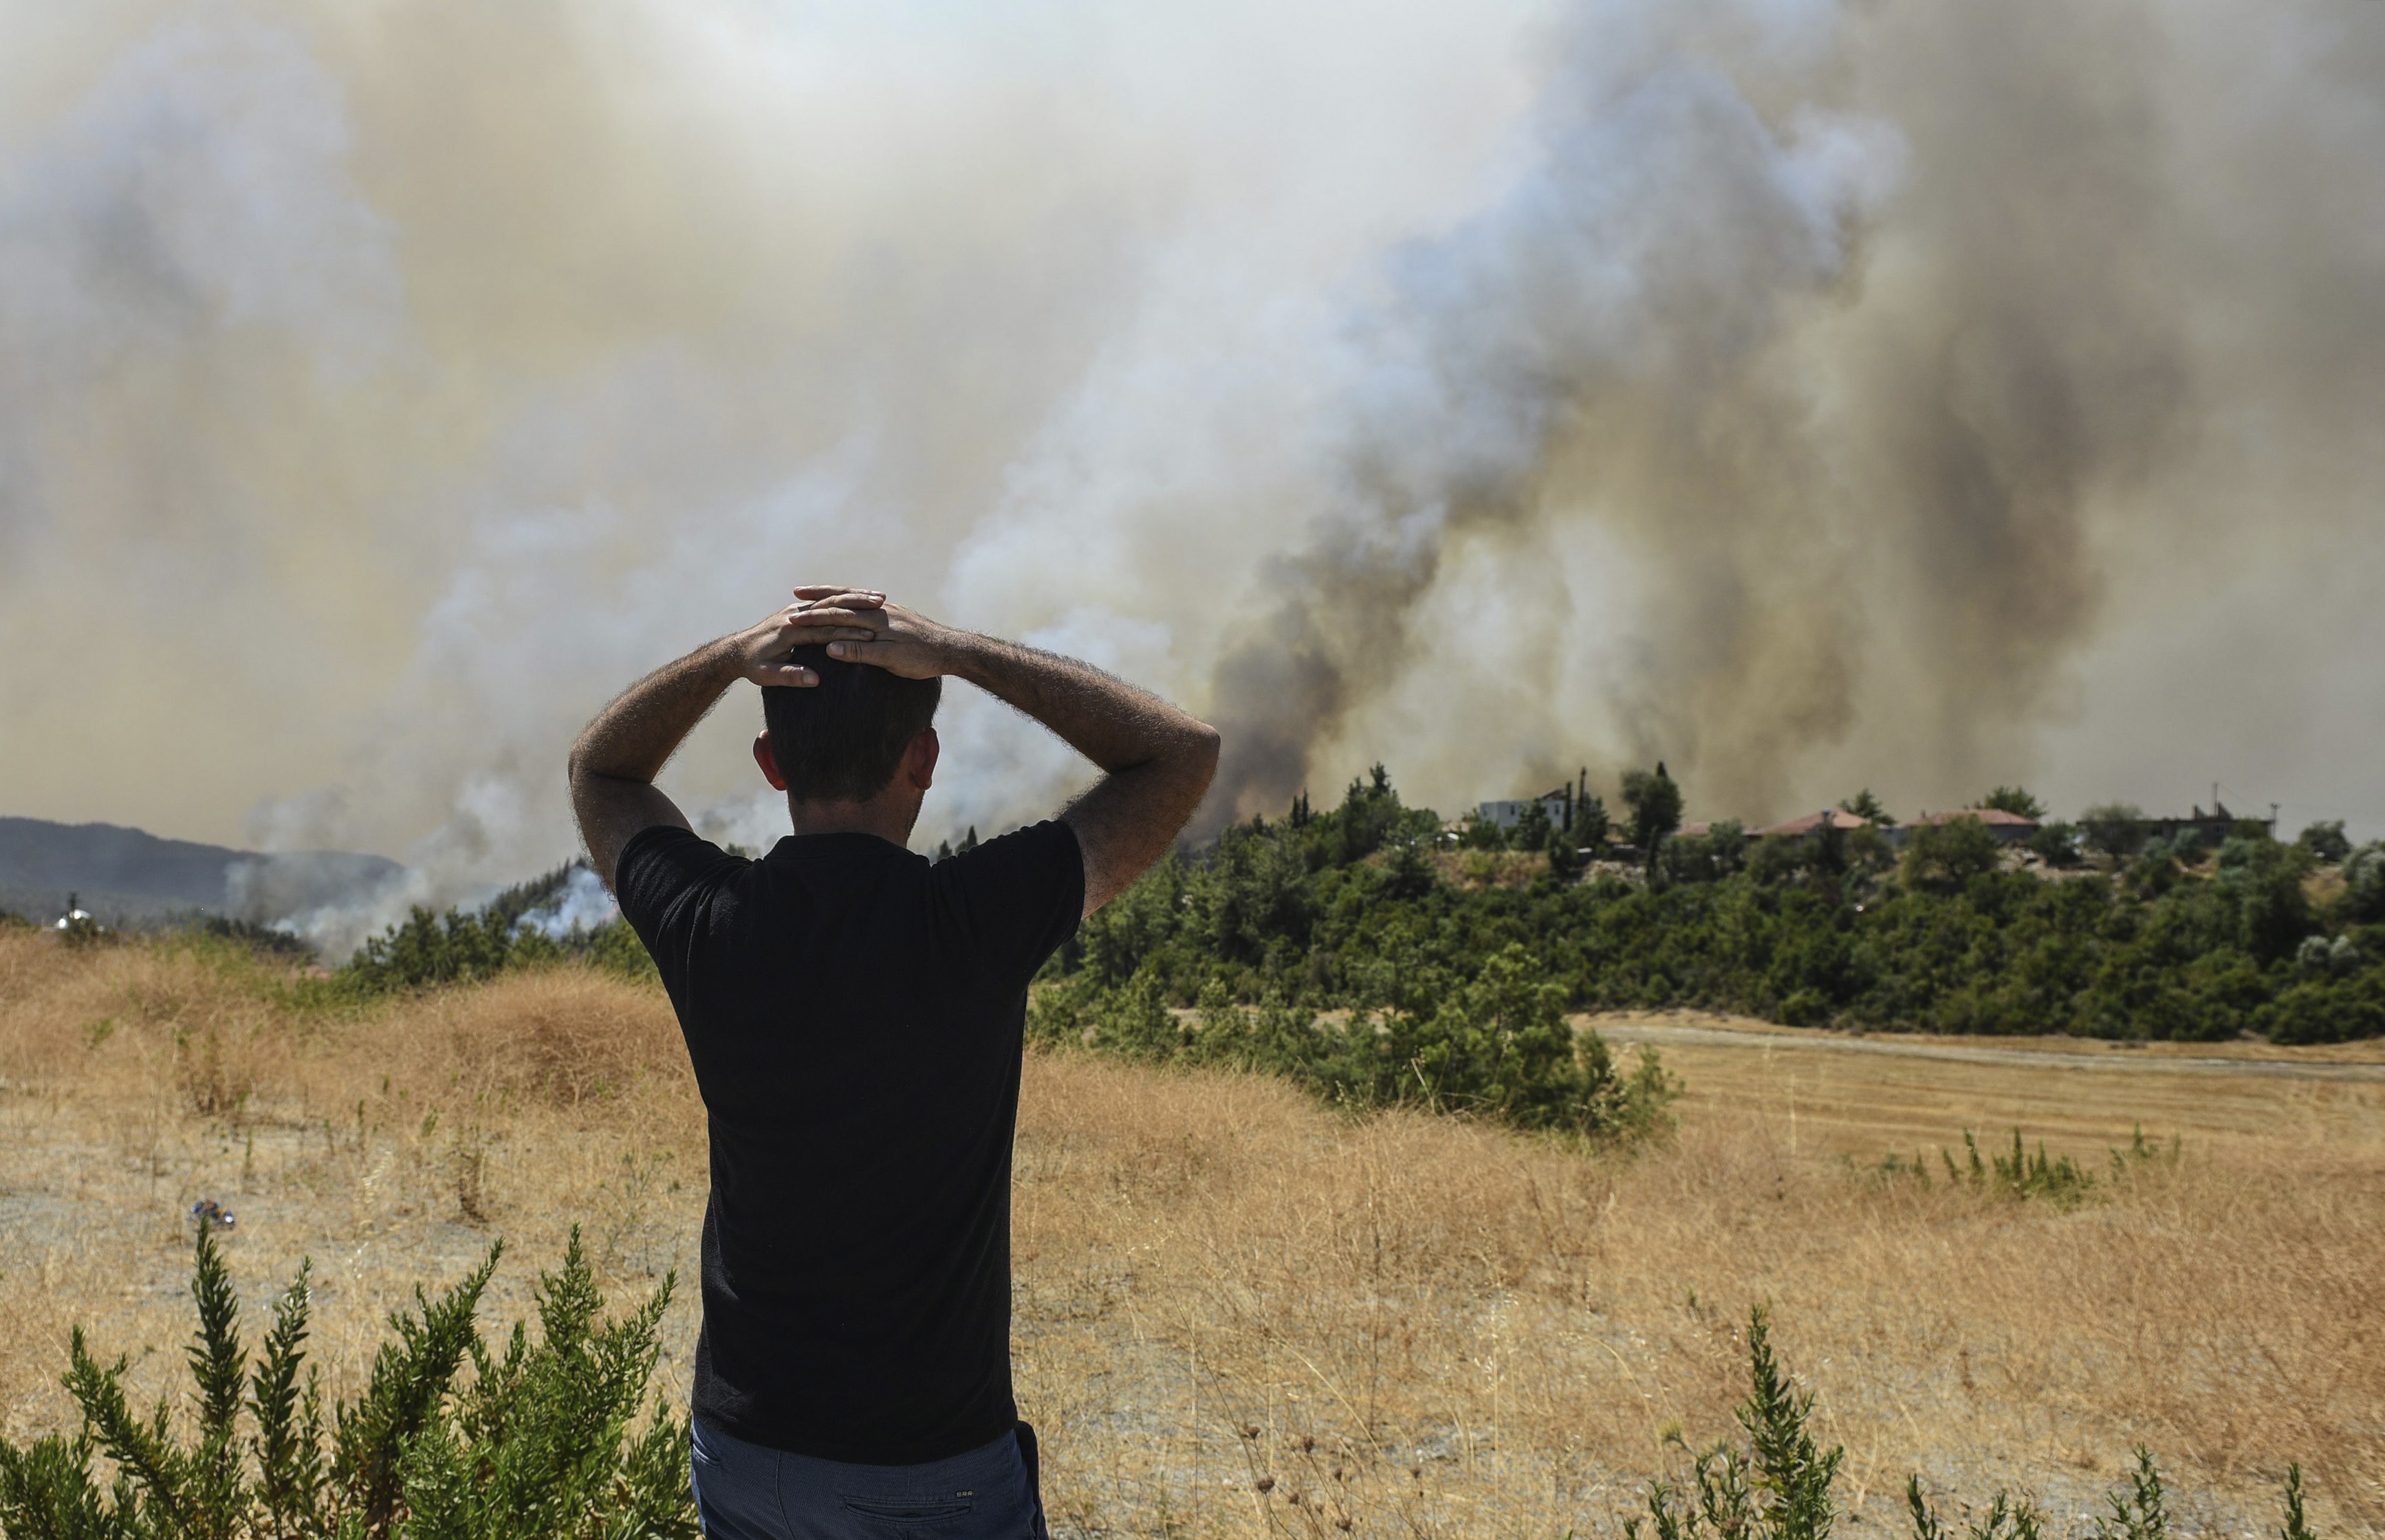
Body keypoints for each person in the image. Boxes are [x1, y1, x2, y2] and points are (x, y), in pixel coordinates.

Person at [568, 584, 1219, 1539]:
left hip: (745, 1451)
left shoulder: (707, 921)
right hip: (927, 1466)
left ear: (770, 764)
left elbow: (600, 772)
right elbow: (1181, 753)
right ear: (925, 758)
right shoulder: (975, 921)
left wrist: (723, 660)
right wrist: (959, 653)